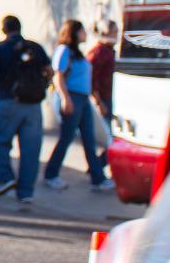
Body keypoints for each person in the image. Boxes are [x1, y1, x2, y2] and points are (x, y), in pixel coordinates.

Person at [0, 14, 54, 210]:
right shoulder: (35, 47)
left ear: (3, 29)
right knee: (31, 150)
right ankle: (26, 193)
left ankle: (5, 178)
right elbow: (49, 70)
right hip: (32, 105)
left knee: (1, 143)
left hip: (7, 101)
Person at [43, 20, 114, 193]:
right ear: (74, 32)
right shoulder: (64, 51)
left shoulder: (78, 53)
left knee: (89, 139)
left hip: (82, 99)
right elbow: (57, 76)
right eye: (82, 30)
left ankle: (98, 178)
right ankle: (51, 174)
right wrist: (66, 99)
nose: (85, 33)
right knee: (66, 137)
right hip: (71, 97)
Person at [88, 19, 118, 152]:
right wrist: (99, 102)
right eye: (114, 31)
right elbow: (91, 80)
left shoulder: (110, 51)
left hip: (109, 96)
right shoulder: (98, 52)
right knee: (107, 138)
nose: (117, 35)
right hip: (102, 99)